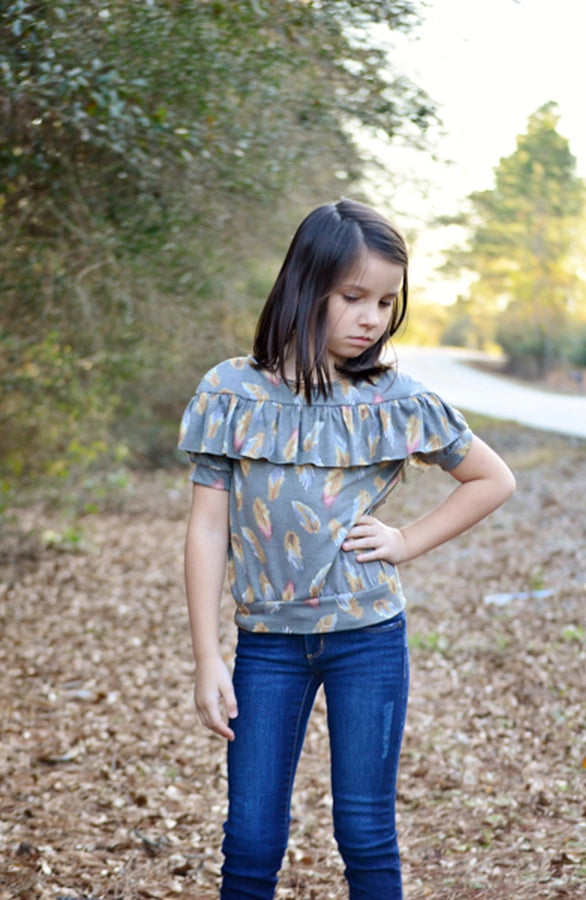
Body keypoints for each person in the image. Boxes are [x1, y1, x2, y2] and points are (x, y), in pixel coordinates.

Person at [178, 199, 516, 900]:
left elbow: (492, 478)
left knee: (364, 833)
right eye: (353, 296)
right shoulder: (231, 390)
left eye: (387, 301)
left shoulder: (395, 399)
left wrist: (404, 541)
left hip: (369, 640)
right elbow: (208, 527)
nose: (372, 316)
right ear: (306, 286)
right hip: (267, 644)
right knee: (250, 841)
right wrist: (208, 657)